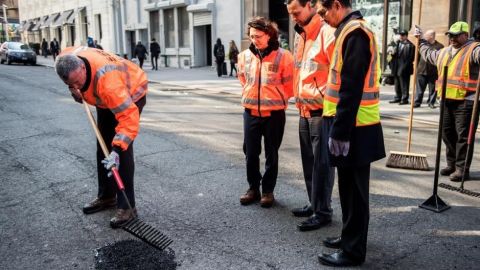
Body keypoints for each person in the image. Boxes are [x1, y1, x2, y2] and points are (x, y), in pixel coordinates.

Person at [316, 0, 385, 266]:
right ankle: (348, 237)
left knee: (355, 193)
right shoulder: (349, 30)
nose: (322, 18)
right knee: (347, 189)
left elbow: (351, 87)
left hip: (355, 127)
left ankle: (353, 250)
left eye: (323, 12)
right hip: (352, 124)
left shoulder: (355, 32)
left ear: (336, 4)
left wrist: (341, 132)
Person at [54, 46, 148, 228]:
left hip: (131, 93)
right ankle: (107, 196)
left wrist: (117, 149)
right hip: (104, 100)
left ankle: (128, 207)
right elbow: (71, 74)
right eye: (70, 84)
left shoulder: (108, 83)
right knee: (102, 146)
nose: (76, 87)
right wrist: (73, 89)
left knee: (120, 151)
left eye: (77, 82)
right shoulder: (67, 59)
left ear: (82, 67)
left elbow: (128, 119)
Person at [286, 0, 336, 232]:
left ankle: (323, 211)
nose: (293, 17)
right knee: (309, 163)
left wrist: (328, 101)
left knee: (322, 165)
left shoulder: (327, 32)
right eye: (291, 13)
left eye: (296, 12)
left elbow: (337, 72)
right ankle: (314, 204)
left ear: (310, 5)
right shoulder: (301, 35)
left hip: (321, 110)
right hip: (304, 108)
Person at [237, 16, 294, 208]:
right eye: (252, 36)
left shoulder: (283, 56)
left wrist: (274, 97)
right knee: (250, 153)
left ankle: (268, 191)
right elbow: (243, 79)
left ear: (269, 35)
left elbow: (290, 85)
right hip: (250, 112)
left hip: (274, 114)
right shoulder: (244, 56)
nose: (255, 40)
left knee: (272, 153)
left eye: (259, 36)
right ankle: (253, 188)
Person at [415, 21, 480, 182]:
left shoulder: (474, 49)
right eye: (450, 35)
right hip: (446, 99)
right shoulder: (444, 52)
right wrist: (421, 40)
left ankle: (461, 168)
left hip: (467, 101)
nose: (452, 38)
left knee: (463, 137)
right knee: (447, 133)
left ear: (466, 35)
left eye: (456, 35)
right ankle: (451, 164)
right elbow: (429, 54)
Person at [414, 30, 444, 108]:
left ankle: (431, 102)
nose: (425, 37)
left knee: (433, 89)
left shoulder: (440, 46)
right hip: (421, 70)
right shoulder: (422, 45)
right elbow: (417, 57)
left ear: (431, 36)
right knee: (419, 89)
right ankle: (417, 102)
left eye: (426, 35)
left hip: (433, 72)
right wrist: (416, 67)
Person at [389, 29, 415, 105]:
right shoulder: (397, 43)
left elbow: (411, 58)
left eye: (403, 35)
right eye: (400, 35)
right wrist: (390, 54)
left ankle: (404, 99)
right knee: (397, 83)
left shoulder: (411, 45)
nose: (401, 36)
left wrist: (404, 67)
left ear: (406, 36)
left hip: (405, 67)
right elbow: (392, 55)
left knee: (404, 84)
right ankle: (397, 97)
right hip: (396, 66)